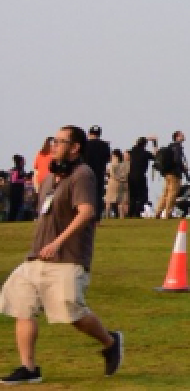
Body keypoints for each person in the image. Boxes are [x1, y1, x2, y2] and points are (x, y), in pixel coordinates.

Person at [0, 126, 124, 381]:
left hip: (68, 257)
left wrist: (57, 242)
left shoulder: (82, 175)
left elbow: (86, 212)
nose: (53, 145)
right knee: (22, 306)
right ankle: (29, 369)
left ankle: (111, 342)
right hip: (36, 257)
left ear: (75, 147)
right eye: (52, 141)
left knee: (71, 312)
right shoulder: (48, 178)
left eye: (59, 141)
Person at [152, 134, 187, 221]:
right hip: (174, 173)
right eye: (181, 135)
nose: (184, 136)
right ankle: (168, 213)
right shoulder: (177, 147)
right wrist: (183, 168)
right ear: (177, 137)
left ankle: (158, 212)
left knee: (165, 193)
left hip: (166, 173)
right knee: (172, 193)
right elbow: (177, 160)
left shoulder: (170, 146)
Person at [78, 130, 111, 216]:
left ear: (89, 134)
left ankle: (85, 215)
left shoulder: (84, 145)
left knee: (85, 195)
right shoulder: (105, 145)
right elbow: (108, 159)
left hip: (86, 172)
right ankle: (97, 218)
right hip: (99, 173)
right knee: (98, 195)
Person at [125, 140, 152, 224]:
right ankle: (137, 212)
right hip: (140, 176)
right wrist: (154, 142)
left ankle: (130, 213)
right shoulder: (145, 153)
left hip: (131, 175)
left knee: (132, 196)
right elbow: (156, 155)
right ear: (145, 145)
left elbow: (127, 153)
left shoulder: (132, 151)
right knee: (143, 196)